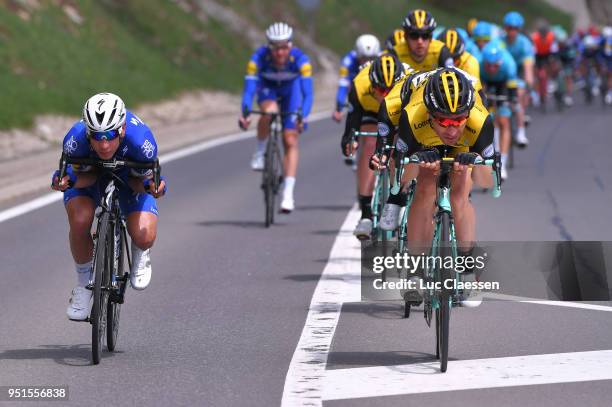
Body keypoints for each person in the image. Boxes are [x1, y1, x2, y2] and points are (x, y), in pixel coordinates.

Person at [374, 68, 494, 305]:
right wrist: (414, 162)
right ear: (430, 114)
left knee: (461, 192)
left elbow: (487, 182)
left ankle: (468, 268)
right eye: (445, 122)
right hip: (421, 138)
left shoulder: (480, 119)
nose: (452, 129)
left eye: (459, 121)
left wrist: (475, 162)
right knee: (425, 188)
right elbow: (402, 172)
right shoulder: (412, 115)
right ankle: (416, 272)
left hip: (462, 144)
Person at [51, 93, 167, 321]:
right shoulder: (74, 141)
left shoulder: (142, 142)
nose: (104, 144)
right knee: (80, 219)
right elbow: (80, 177)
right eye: (97, 136)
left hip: (130, 180)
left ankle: (140, 252)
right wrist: (66, 182)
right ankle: (84, 285)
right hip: (90, 177)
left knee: (144, 235)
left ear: (122, 128)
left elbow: (141, 182)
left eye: (110, 135)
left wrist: (152, 187)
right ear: (87, 132)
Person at [239, 22, 314, 213]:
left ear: (290, 45)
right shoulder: (257, 59)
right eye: (275, 47)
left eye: (284, 47)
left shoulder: (301, 60)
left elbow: (308, 94)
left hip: (291, 91)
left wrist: (303, 116)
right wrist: (245, 112)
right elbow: (248, 92)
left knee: (290, 138)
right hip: (268, 88)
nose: (280, 52)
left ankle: (288, 194)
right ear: (268, 46)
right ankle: (260, 151)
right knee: (269, 112)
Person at [340, 53, 411, 239]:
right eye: (380, 89)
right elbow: (352, 120)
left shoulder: (409, 81)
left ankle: (399, 196)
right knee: (369, 142)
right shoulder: (360, 84)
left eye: (389, 89)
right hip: (371, 112)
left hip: (398, 111)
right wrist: (349, 138)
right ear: (372, 83)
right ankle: (365, 214)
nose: (385, 94)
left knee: (399, 146)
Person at [480, 43, 519, 180]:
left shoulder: (509, 64)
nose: (491, 68)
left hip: (503, 84)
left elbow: (512, 89)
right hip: (487, 83)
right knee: (489, 118)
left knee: (503, 120)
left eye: (495, 65)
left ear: (500, 63)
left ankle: (502, 162)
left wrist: (512, 100)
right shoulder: (479, 64)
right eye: (488, 65)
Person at [333, 34, 381, 122]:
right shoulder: (347, 63)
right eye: (364, 58)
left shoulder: (384, 58)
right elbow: (343, 85)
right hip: (358, 98)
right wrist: (339, 108)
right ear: (358, 56)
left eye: (372, 58)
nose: (368, 62)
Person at [502, 11, 533, 145]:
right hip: (505, 72)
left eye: (515, 29)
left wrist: (528, 81)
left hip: (520, 71)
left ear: (519, 29)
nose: (512, 31)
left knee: (517, 97)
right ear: (505, 28)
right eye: (509, 28)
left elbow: (528, 65)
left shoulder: (524, 43)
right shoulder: (501, 42)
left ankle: (521, 132)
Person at [387, 9, 454, 71]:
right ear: (406, 37)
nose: (420, 41)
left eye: (425, 36)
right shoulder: (395, 54)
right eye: (414, 35)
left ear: (430, 38)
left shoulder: (441, 51)